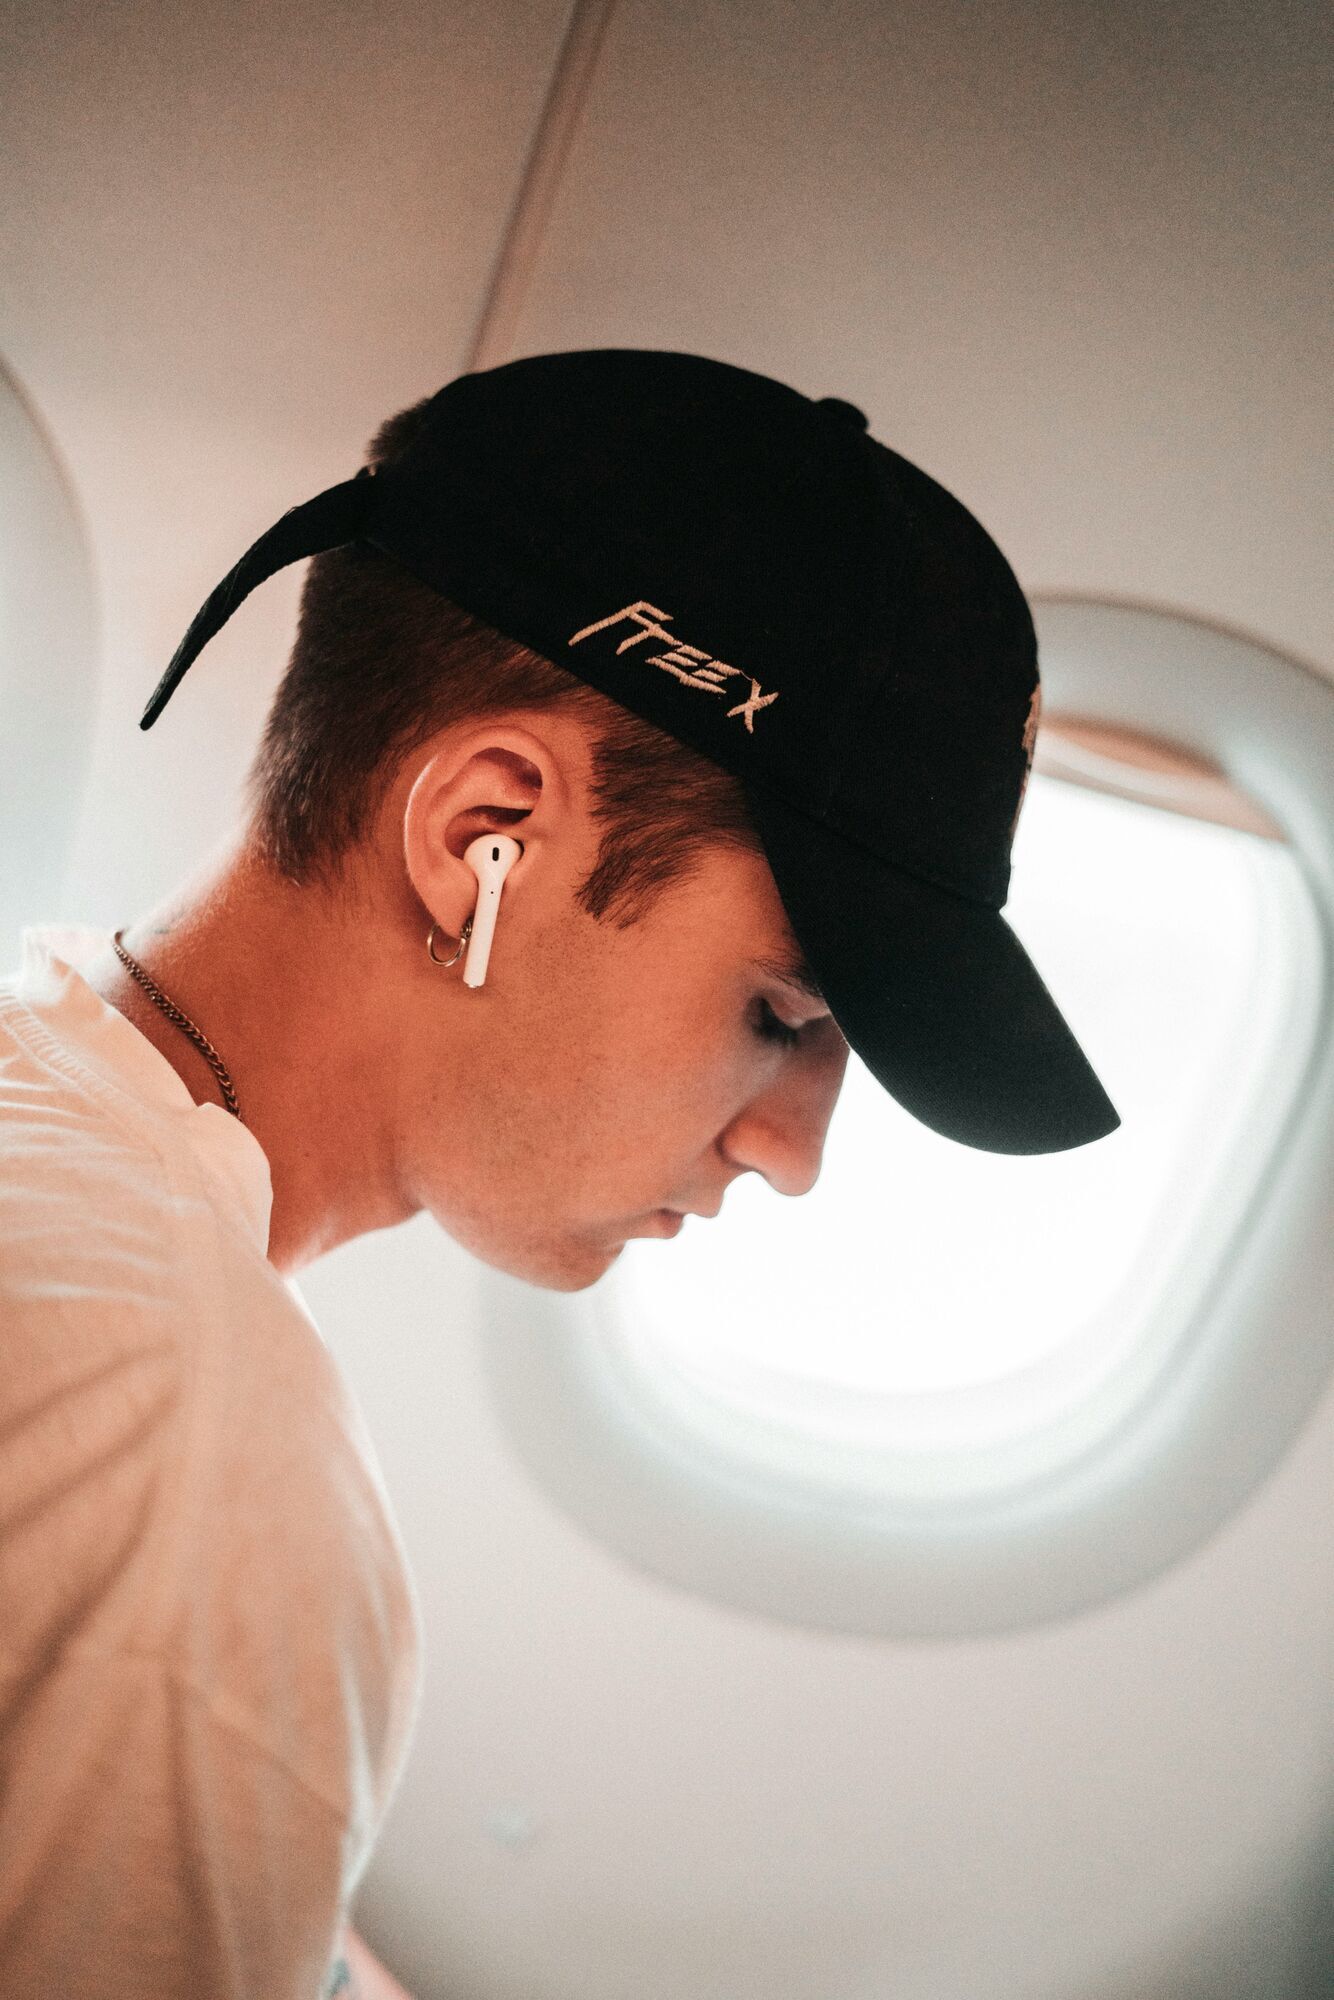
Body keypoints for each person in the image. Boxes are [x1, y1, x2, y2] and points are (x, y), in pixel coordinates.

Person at [0, 348, 1120, 1999]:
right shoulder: (202, 1476)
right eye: (781, 1015)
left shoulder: (51, 1087)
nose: (792, 1156)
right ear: (485, 838)